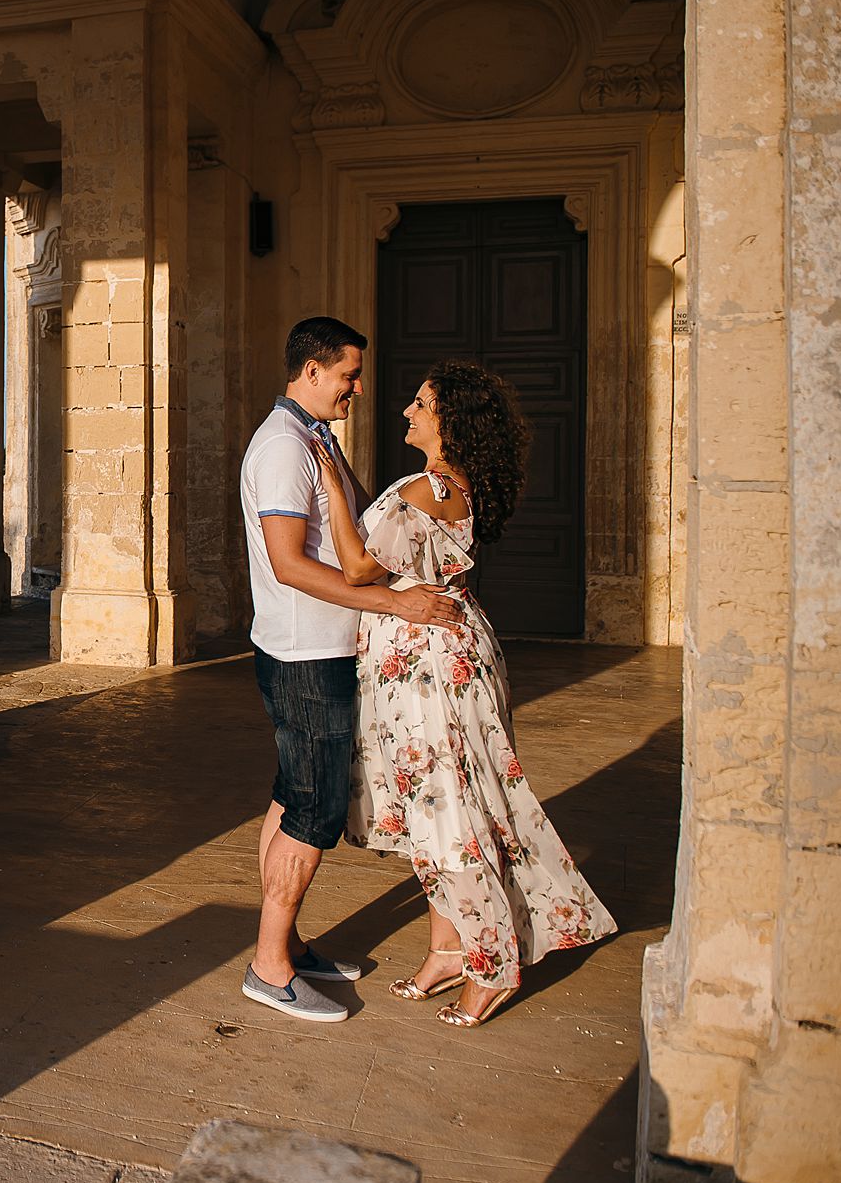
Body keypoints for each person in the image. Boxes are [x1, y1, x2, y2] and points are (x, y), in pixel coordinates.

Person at [308, 360, 616, 1028]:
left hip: (435, 670)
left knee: (452, 815)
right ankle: (446, 948)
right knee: (437, 809)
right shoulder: (439, 484)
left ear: (450, 419)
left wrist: (331, 482)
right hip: (432, 658)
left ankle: (493, 962)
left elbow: (359, 565)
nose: (406, 412)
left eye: (420, 403)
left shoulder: (430, 486)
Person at [239, 317, 466, 1023]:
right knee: (313, 810)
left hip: (317, 648)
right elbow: (289, 563)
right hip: (305, 653)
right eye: (347, 375)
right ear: (311, 370)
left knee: (291, 794)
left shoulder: (312, 436)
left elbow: (355, 531)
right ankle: (269, 966)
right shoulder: (282, 446)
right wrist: (392, 599)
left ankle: (288, 943)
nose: (358, 388)